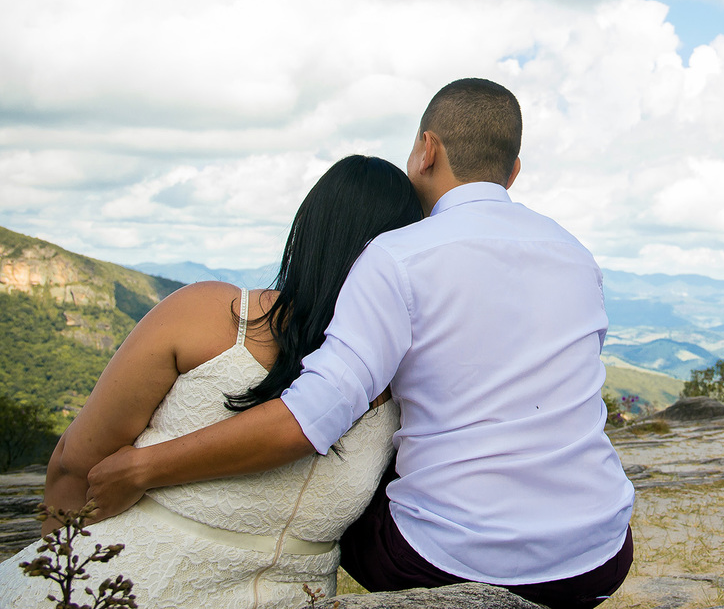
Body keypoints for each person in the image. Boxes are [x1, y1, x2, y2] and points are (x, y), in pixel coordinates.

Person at [86, 78, 636, 609]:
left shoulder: (398, 254)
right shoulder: (577, 255)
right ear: (512, 171)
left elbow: (310, 418)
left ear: (426, 150)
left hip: (448, 561)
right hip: (600, 556)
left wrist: (141, 468)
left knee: (343, 478)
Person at [0, 155, 423, 609]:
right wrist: (63, 579)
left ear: (307, 232)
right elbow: (73, 466)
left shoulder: (203, 314)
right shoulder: (403, 378)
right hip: (129, 588)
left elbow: (74, 461)